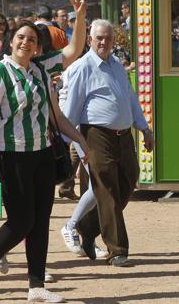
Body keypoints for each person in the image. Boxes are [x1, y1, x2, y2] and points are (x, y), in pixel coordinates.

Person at [0, 0, 89, 302]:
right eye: (21, 37)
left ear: (38, 46)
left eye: (32, 40)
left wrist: (79, 15)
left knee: (41, 220)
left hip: (40, 154)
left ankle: (36, 285)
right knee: (22, 220)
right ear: (11, 41)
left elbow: (74, 51)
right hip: (8, 155)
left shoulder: (39, 69)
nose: (26, 42)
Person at [60, 19, 154, 267]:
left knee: (130, 179)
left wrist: (144, 128)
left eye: (108, 38)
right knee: (107, 190)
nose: (103, 42)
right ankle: (117, 250)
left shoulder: (116, 66)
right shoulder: (82, 67)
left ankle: (87, 227)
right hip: (96, 135)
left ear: (113, 41)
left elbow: (130, 98)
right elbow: (70, 109)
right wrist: (69, 141)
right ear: (90, 40)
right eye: (99, 38)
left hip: (124, 136)